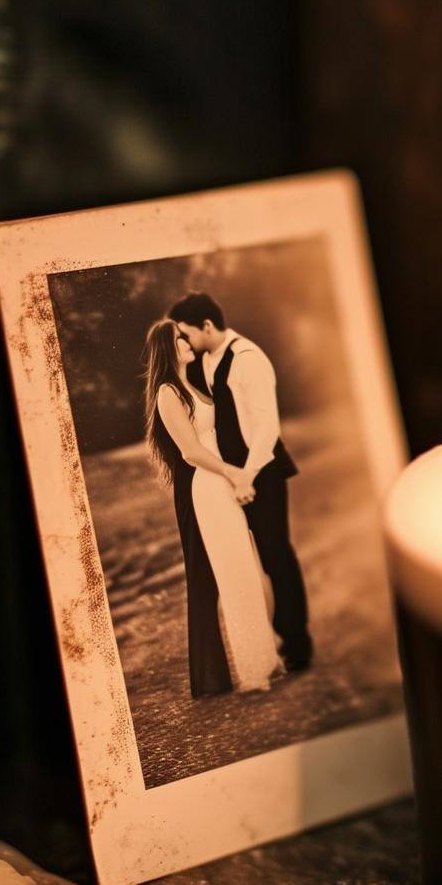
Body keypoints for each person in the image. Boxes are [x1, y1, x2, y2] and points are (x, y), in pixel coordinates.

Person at [168, 292, 314, 672]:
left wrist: (247, 475)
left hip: (261, 472)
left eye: (187, 334)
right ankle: (260, 644)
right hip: (226, 477)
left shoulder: (249, 359)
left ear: (207, 326)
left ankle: (297, 643)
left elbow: (267, 427)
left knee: (275, 555)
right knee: (242, 563)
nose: (185, 342)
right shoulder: (203, 362)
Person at [143, 319, 284, 696]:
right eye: (179, 338)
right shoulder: (168, 392)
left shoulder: (195, 383)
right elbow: (190, 452)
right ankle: (254, 673)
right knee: (234, 574)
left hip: (226, 481)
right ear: (167, 348)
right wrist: (231, 473)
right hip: (209, 487)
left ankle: (267, 657)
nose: (187, 341)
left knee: (250, 568)